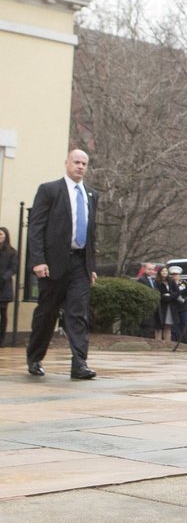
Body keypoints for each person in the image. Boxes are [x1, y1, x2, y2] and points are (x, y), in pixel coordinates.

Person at [25, 149, 98, 379]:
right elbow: (36, 228)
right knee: (47, 314)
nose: (80, 167)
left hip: (80, 263)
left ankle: (79, 364)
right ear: (66, 163)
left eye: (84, 163)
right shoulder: (49, 190)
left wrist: (91, 266)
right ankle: (35, 357)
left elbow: (92, 232)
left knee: (77, 313)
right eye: (76, 162)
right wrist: (38, 260)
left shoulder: (91, 194)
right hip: (54, 263)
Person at [0, 226, 16, 347]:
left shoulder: (11, 251)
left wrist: (3, 278)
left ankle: (1, 339)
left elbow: (14, 268)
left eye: (1, 234)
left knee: (3, 313)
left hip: (3, 287)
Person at [154, 266, 179, 340]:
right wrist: (164, 297)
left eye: (166, 271)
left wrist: (170, 296)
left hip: (170, 306)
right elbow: (157, 293)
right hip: (161, 307)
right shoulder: (156, 282)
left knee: (168, 326)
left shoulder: (171, 281)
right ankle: (158, 342)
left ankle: (168, 343)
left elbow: (177, 292)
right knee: (159, 325)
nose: (164, 273)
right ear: (160, 273)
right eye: (163, 271)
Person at [169, 266, 187, 343]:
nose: (175, 276)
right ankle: (176, 341)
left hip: (183, 307)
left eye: (177, 274)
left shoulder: (184, 283)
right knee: (175, 327)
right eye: (174, 274)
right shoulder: (169, 284)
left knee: (185, 325)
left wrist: (184, 299)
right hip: (174, 308)